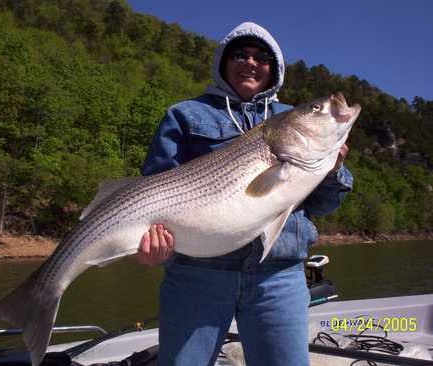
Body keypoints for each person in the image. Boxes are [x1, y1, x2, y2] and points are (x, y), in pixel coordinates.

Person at [137, 22, 353, 366]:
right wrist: (152, 244)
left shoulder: (287, 116)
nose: (250, 62)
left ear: (274, 68)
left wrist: (332, 169)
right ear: (223, 62)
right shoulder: (186, 114)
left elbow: (325, 206)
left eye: (261, 57)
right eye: (240, 54)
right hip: (197, 274)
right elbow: (155, 189)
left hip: (280, 276)